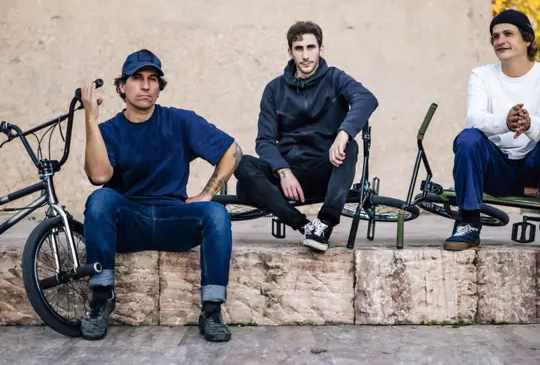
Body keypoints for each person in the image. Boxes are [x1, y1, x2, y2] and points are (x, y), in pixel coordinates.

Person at [80, 49, 242, 341]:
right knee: (101, 199)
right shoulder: (109, 130)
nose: (145, 85)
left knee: (216, 213)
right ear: (121, 86)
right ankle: (102, 298)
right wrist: (91, 120)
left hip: (173, 218)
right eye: (137, 78)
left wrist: (207, 193)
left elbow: (232, 151)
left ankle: (212, 311)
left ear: (159, 86)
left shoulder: (179, 121)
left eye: (152, 79)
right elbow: (99, 176)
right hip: (129, 222)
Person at [234, 21, 378, 251]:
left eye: (311, 47)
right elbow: (265, 140)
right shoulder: (274, 89)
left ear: (321, 50)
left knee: (349, 147)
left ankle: (325, 222)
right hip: (290, 175)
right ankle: (304, 225)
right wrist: (283, 171)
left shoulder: (335, 78)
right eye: (299, 48)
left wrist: (343, 134)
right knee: (242, 167)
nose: (306, 55)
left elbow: (366, 98)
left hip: (326, 170)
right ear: (290, 52)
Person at [443, 9, 540, 258]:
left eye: (508, 34)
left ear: (527, 40)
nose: (500, 40)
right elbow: (474, 117)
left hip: (534, 171)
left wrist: (529, 125)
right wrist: (505, 122)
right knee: (468, 138)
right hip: (495, 169)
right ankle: (469, 223)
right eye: (495, 36)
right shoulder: (481, 75)